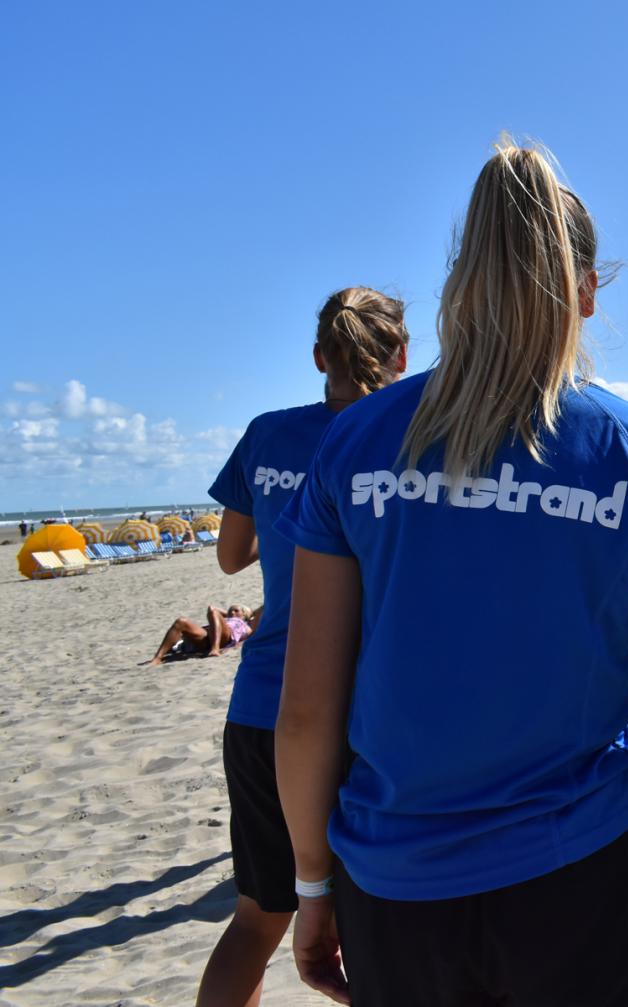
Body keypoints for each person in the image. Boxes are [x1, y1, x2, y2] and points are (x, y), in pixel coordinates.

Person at [274, 139, 628, 1007]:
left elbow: (307, 708)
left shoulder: (354, 443)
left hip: (398, 883)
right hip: (589, 875)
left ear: (465, 281)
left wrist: (314, 885)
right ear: (588, 290)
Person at [194, 287, 410, 1007]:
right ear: (401, 354)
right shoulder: (407, 436)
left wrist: (290, 527)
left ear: (320, 357)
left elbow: (231, 558)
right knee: (379, 924)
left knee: (258, 918)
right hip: (364, 713)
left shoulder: (267, 434)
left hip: (261, 708)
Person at [142, 605, 260, 666]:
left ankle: (215, 648)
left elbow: (260, 612)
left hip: (226, 635)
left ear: (244, 614)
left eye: (236, 610)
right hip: (209, 635)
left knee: (214, 612)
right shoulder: (225, 619)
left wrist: (247, 615)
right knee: (181, 621)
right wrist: (229, 614)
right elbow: (211, 607)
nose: (231, 612)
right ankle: (157, 657)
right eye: (230, 610)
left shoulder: (246, 624)